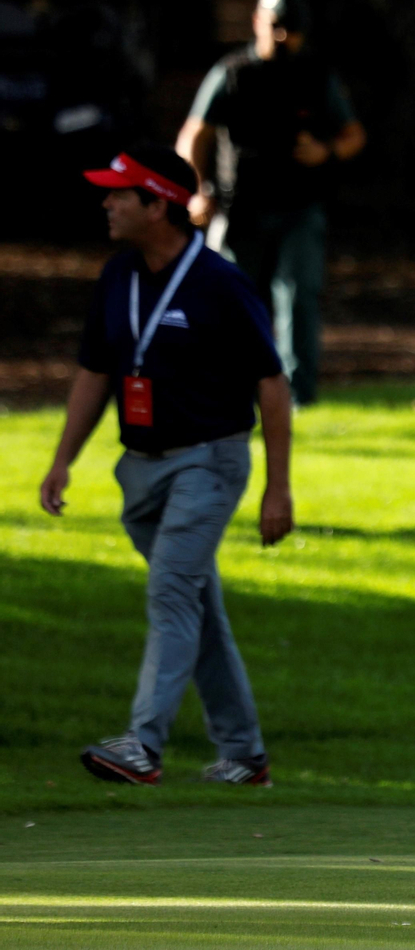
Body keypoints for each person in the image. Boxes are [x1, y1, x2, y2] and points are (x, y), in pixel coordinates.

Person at [40, 145, 294, 787]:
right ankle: (245, 755)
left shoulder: (219, 282)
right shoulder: (117, 277)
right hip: (142, 471)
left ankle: (142, 746)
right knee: (195, 607)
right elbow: (96, 372)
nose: (107, 203)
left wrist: (278, 488)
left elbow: (271, 382)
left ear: (158, 206)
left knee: (171, 593)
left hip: (210, 463)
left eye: (120, 194)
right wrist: (62, 461)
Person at [176, 0, 366, 406]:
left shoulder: (316, 75)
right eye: (276, 25)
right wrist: (196, 191)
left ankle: (298, 398)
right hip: (239, 209)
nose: (283, 36)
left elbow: (353, 134)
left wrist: (326, 152)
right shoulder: (232, 74)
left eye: (292, 28)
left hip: (299, 207)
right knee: (236, 304)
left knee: (299, 297)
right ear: (257, 22)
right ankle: (232, 395)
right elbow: (194, 134)